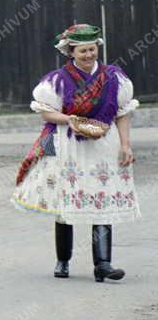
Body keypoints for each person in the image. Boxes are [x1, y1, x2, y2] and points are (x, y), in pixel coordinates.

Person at [12, 23, 140, 281]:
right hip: (69, 143)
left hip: (104, 143)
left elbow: (122, 113)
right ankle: (63, 260)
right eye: (83, 51)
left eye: (92, 50)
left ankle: (103, 264)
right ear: (71, 52)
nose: (89, 55)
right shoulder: (57, 81)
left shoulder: (114, 78)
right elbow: (45, 111)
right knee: (67, 200)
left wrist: (125, 145)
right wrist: (70, 120)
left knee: (102, 200)